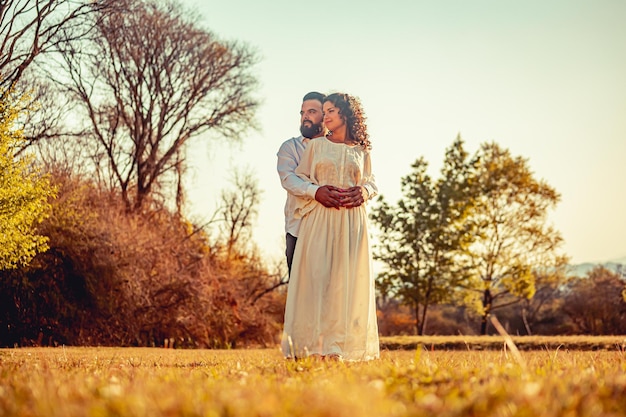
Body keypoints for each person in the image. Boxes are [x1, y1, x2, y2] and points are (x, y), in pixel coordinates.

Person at [281, 92, 380, 362]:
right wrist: (317, 192)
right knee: (316, 281)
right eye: (323, 112)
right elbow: (297, 178)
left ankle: (337, 349)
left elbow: (372, 182)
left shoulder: (362, 150)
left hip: (351, 223)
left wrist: (364, 192)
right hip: (320, 221)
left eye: (330, 111)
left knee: (343, 284)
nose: (325, 117)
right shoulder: (315, 147)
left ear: (346, 114)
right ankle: (311, 346)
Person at [277, 92, 369, 276]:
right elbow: (289, 179)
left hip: (339, 230)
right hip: (299, 229)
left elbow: (368, 178)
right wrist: (315, 191)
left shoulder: (351, 147)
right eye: (302, 112)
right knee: (303, 294)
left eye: (312, 111)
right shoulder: (290, 147)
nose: (305, 117)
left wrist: (365, 191)